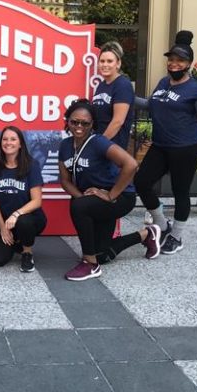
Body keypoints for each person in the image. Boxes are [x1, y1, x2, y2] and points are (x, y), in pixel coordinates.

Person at [135, 30, 197, 255]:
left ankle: (176, 236)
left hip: (185, 147)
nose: (174, 64)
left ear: (188, 64)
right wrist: (124, 98)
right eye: (171, 59)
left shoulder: (194, 87)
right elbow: (151, 105)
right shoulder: (163, 82)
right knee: (141, 182)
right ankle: (163, 224)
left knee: (180, 191)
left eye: (180, 60)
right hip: (160, 144)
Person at [58, 99, 144, 281]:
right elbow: (65, 181)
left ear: (92, 125)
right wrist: (82, 197)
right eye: (74, 122)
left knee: (79, 207)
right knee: (103, 254)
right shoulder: (65, 146)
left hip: (120, 198)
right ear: (67, 121)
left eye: (85, 123)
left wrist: (111, 194)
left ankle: (90, 264)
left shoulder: (98, 142)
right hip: (93, 200)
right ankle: (146, 234)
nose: (79, 126)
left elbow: (131, 164)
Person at [0, 126, 47, 273]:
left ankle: (27, 252)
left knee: (24, 222)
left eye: (13, 139)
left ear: (20, 144)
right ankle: (17, 242)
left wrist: (16, 214)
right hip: (7, 222)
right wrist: (2, 227)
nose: (8, 142)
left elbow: (37, 201)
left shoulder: (31, 165)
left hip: (30, 218)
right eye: (5, 139)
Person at [91, 41, 134, 150]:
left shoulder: (123, 85)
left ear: (118, 64)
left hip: (113, 146)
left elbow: (118, 121)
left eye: (109, 61)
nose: (105, 65)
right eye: (102, 61)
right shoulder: (101, 85)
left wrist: (100, 143)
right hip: (100, 142)